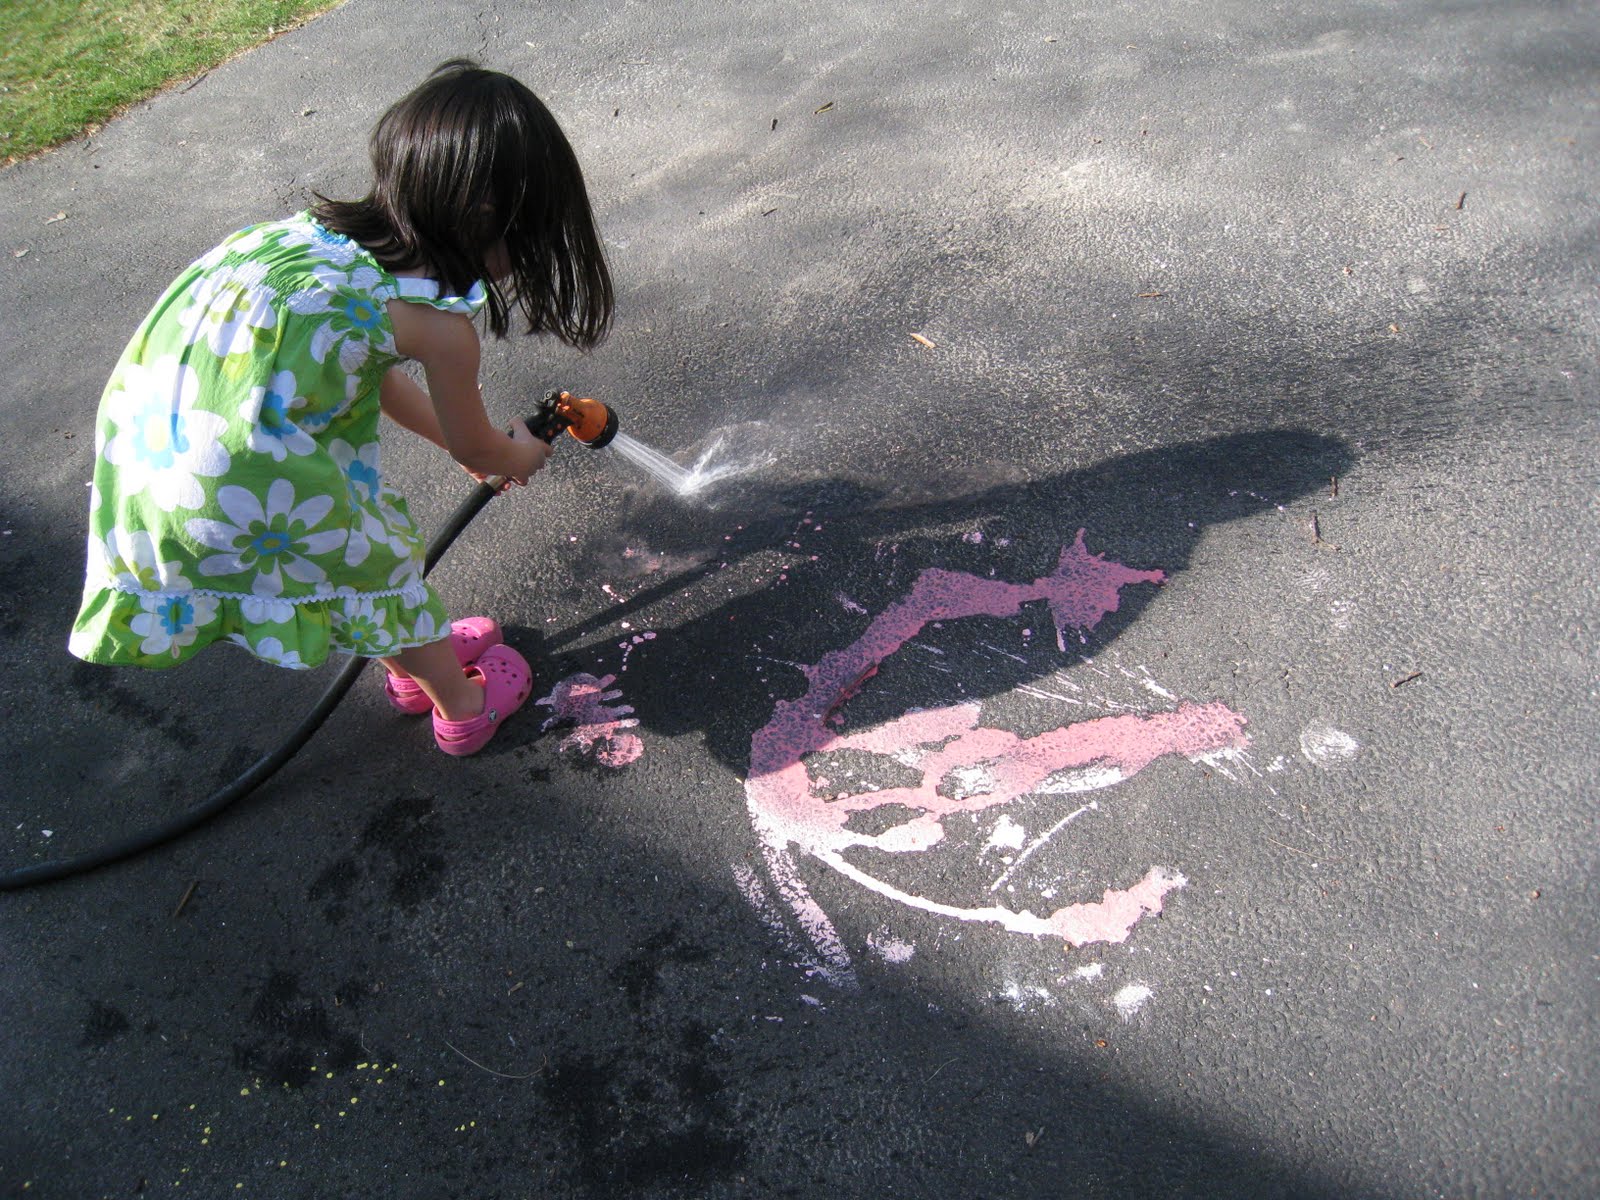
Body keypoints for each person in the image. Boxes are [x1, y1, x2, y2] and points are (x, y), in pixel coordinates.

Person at [68, 59, 613, 756]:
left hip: (157, 455)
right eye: (530, 233)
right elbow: (485, 450)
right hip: (243, 489)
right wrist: (517, 453)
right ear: (486, 220)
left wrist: (463, 446)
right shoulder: (437, 329)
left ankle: (414, 670)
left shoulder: (307, 248)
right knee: (380, 569)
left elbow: (363, 374)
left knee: (355, 567)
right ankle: (464, 706)